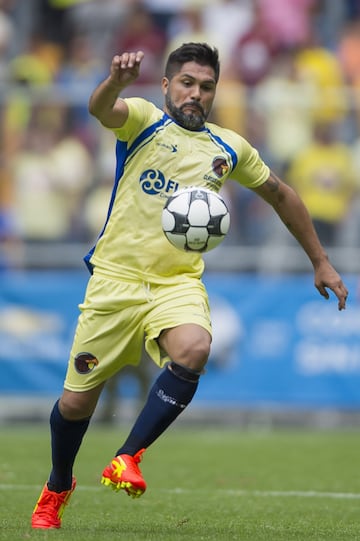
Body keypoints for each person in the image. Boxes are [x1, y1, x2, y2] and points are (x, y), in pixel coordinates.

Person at [31, 42, 348, 530]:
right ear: (166, 85)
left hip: (176, 281)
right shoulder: (143, 120)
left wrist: (320, 261)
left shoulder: (228, 148)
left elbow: (281, 195)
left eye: (206, 86)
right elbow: (100, 108)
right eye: (186, 83)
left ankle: (127, 457)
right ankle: (57, 485)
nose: (195, 94)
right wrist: (115, 81)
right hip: (115, 281)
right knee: (76, 402)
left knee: (196, 347)